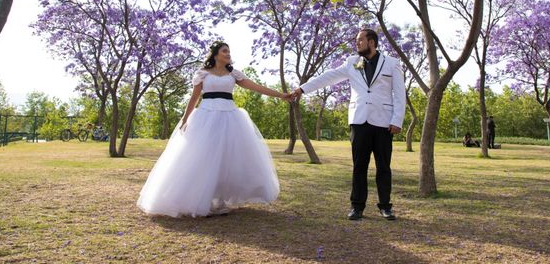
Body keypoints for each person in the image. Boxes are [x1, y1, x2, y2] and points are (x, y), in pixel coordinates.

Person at [137, 41, 290, 218]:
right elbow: (194, 98)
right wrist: (185, 119)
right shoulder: (202, 74)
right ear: (216, 54)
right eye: (225, 51)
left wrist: (281, 95)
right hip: (206, 117)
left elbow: (257, 87)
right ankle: (205, 199)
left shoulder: (234, 74)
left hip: (230, 117)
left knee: (227, 157)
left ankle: (221, 199)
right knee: (203, 157)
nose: (228, 54)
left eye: (229, 51)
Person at [291, 29, 406, 221]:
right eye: (356, 40)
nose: (357, 43)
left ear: (371, 42)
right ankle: (357, 207)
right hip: (359, 121)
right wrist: (303, 88)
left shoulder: (392, 64)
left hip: (384, 122)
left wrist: (397, 120)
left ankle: (385, 206)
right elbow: (328, 76)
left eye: (360, 40)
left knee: (383, 167)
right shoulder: (353, 62)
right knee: (359, 166)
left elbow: (399, 94)